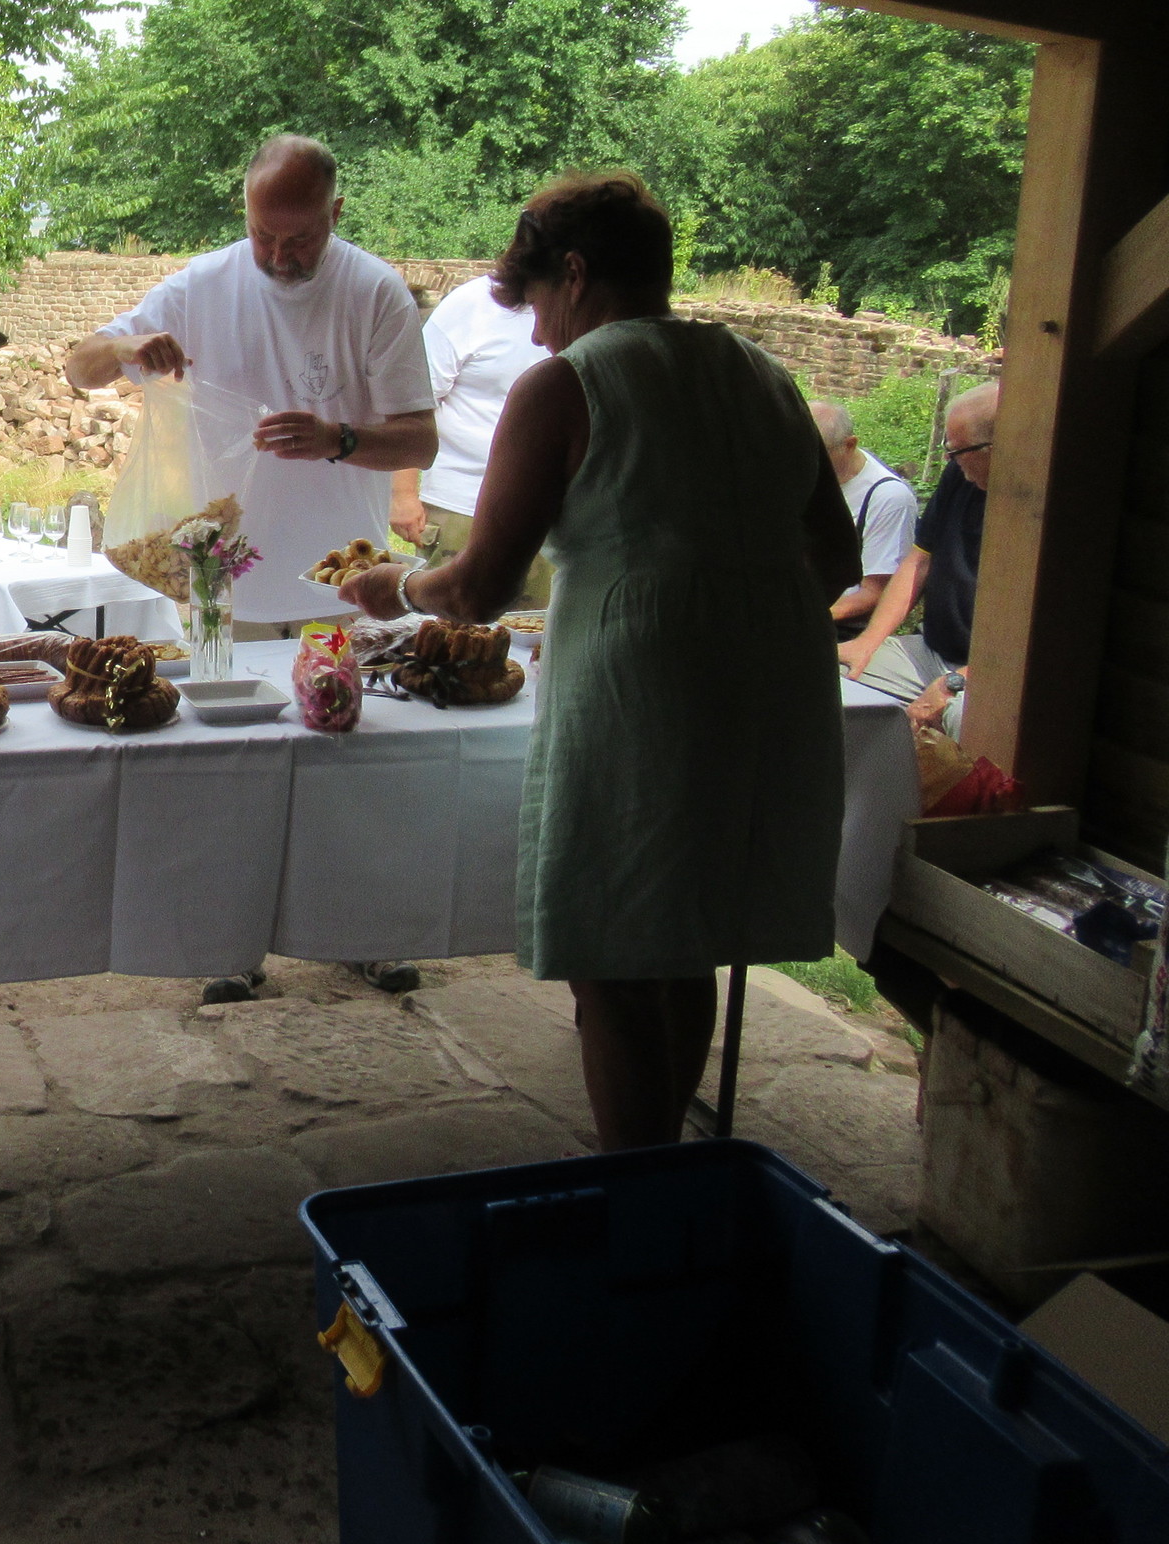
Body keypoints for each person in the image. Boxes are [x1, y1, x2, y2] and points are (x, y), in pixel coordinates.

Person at [342, 175, 860, 1151]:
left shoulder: (565, 385)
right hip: (775, 680)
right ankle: (664, 1159)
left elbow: (481, 586)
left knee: (616, 946)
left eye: (537, 304)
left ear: (575, 274)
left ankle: (635, 1182)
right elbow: (836, 559)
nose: (538, 334)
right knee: (693, 931)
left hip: (642, 681)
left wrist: (398, 588)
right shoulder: (762, 375)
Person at [66, 135, 436, 1003]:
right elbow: (80, 367)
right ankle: (228, 943)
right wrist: (134, 344)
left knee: (346, 764)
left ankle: (363, 932)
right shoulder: (202, 284)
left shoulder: (375, 293)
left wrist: (338, 438)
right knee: (227, 767)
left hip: (337, 579)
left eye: (299, 238)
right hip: (216, 575)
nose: (277, 255)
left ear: (336, 213)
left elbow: (418, 438)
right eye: (263, 234)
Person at [389, 272, 553, 608]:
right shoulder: (470, 305)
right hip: (462, 508)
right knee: (450, 629)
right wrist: (402, 494)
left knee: (534, 631)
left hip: (550, 515)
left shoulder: (584, 309)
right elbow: (413, 405)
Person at [840, 382, 996, 685]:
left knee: (956, 710)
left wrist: (956, 682)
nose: (948, 459)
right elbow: (919, 561)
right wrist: (867, 642)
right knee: (827, 677)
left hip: (986, 673)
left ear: (993, 448)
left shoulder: (1032, 509)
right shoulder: (959, 476)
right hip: (928, 651)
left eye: (956, 451)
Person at [809, 400, 918, 643]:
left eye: (816, 453)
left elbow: (876, 591)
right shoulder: (802, 477)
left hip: (840, 628)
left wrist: (809, 617)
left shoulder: (888, 498)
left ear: (849, 445)